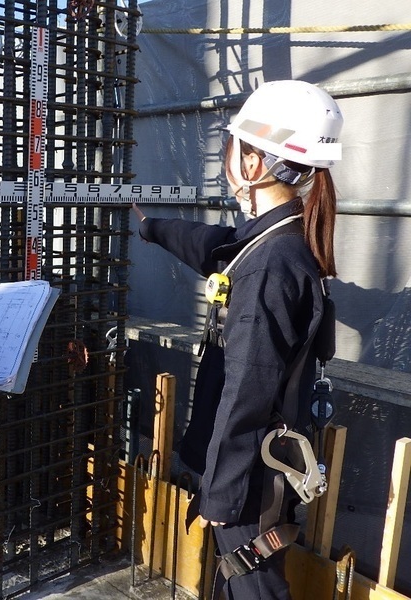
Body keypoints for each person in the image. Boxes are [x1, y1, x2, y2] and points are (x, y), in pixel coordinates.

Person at [133, 80, 343, 599]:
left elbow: (248, 388)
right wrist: (152, 227)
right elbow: (214, 247)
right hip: (259, 467)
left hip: (250, 483)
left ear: (252, 163)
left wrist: (220, 496)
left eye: (232, 145)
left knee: (255, 588)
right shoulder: (276, 241)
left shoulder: (270, 266)